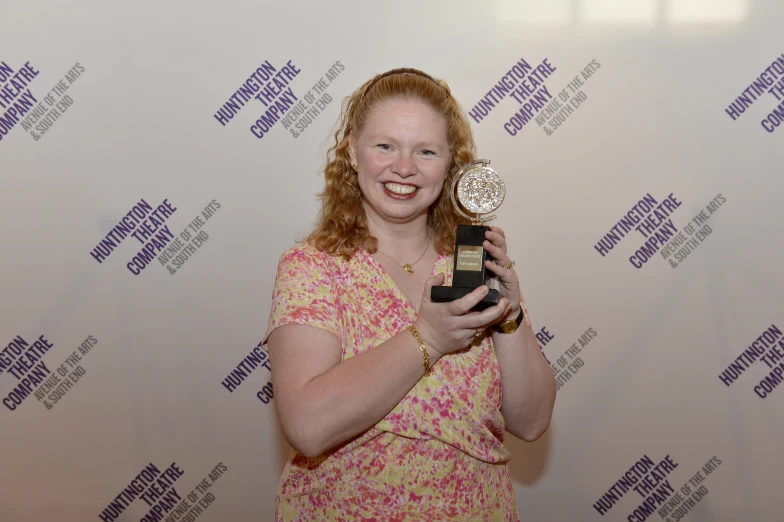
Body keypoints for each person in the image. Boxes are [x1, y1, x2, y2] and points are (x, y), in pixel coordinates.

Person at [263, 67, 556, 521]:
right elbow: (308, 426)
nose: (404, 167)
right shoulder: (313, 266)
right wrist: (429, 339)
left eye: (425, 151)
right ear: (352, 152)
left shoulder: (467, 263)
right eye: (385, 146)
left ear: (449, 166)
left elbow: (532, 422)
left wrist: (510, 316)